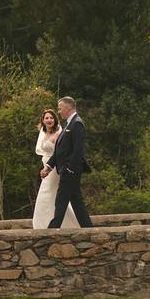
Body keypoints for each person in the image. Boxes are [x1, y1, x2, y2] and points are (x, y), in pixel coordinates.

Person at [46, 96, 93, 228]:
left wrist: (69, 168)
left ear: (68, 107)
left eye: (60, 108)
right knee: (77, 201)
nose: (59, 111)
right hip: (66, 170)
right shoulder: (68, 124)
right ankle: (89, 229)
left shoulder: (77, 123)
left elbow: (78, 150)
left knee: (61, 200)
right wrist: (49, 166)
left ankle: (52, 229)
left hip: (70, 170)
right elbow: (60, 150)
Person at [33, 108, 79, 229]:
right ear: (43, 120)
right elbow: (41, 150)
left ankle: (59, 223)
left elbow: (60, 152)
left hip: (55, 169)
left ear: (55, 120)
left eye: (51, 117)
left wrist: (49, 166)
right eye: (46, 118)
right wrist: (45, 167)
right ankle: (43, 224)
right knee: (47, 195)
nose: (49, 120)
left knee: (51, 193)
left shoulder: (60, 132)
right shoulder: (42, 133)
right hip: (46, 168)